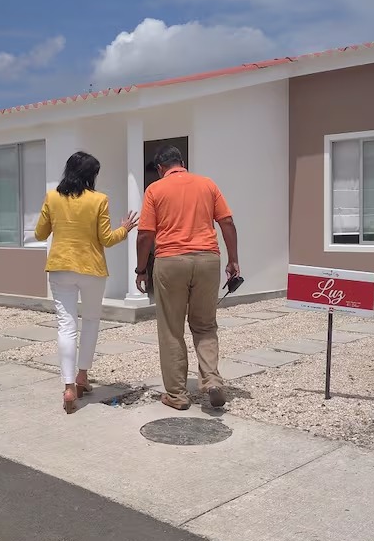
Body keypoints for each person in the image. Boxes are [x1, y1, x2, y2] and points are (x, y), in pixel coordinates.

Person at [135, 145, 239, 410]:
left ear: (161, 168)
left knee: (171, 329)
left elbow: (145, 234)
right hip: (207, 259)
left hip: (170, 261)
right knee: (205, 325)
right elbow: (227, 222)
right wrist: (233, 259)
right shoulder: (207, 184)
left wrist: (141, 269)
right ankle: (212, 380)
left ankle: (177, 395)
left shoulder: (155, 190)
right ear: (182, 162)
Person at [34, 151, 139, 414]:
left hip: (60, 267)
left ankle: (69, 386)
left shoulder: (52, 197)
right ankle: (82, 376)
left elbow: (39, 234)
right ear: (90, 175)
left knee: (66, 326)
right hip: (92, 269)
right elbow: (106, 239)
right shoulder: (99, 200)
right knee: (91, 321)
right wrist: (125, 229)